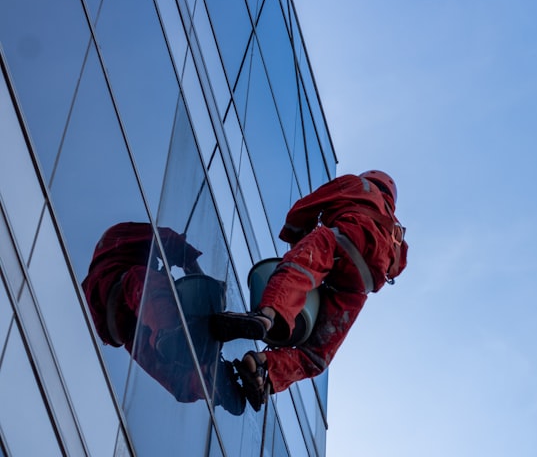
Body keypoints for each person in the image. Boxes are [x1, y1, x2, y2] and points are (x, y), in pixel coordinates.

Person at [211, 170, 408, 410]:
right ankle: (265, 369)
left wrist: (298, 241)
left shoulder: (357, 184)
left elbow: (301, 211)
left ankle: (266, 317)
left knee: (296, 272)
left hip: (340, 241)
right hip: (358, 286)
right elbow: (397, 268)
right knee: (316, 356)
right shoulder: (398, 232)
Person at [82, 222, 245, 414]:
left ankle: (207, 381)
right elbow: (165, 238)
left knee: (170, 374)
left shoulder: (115, 254)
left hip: (126, 329)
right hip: (120, 292)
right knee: (151, 286)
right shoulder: (119, 239)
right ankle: (169, 333)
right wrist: (200, 278)